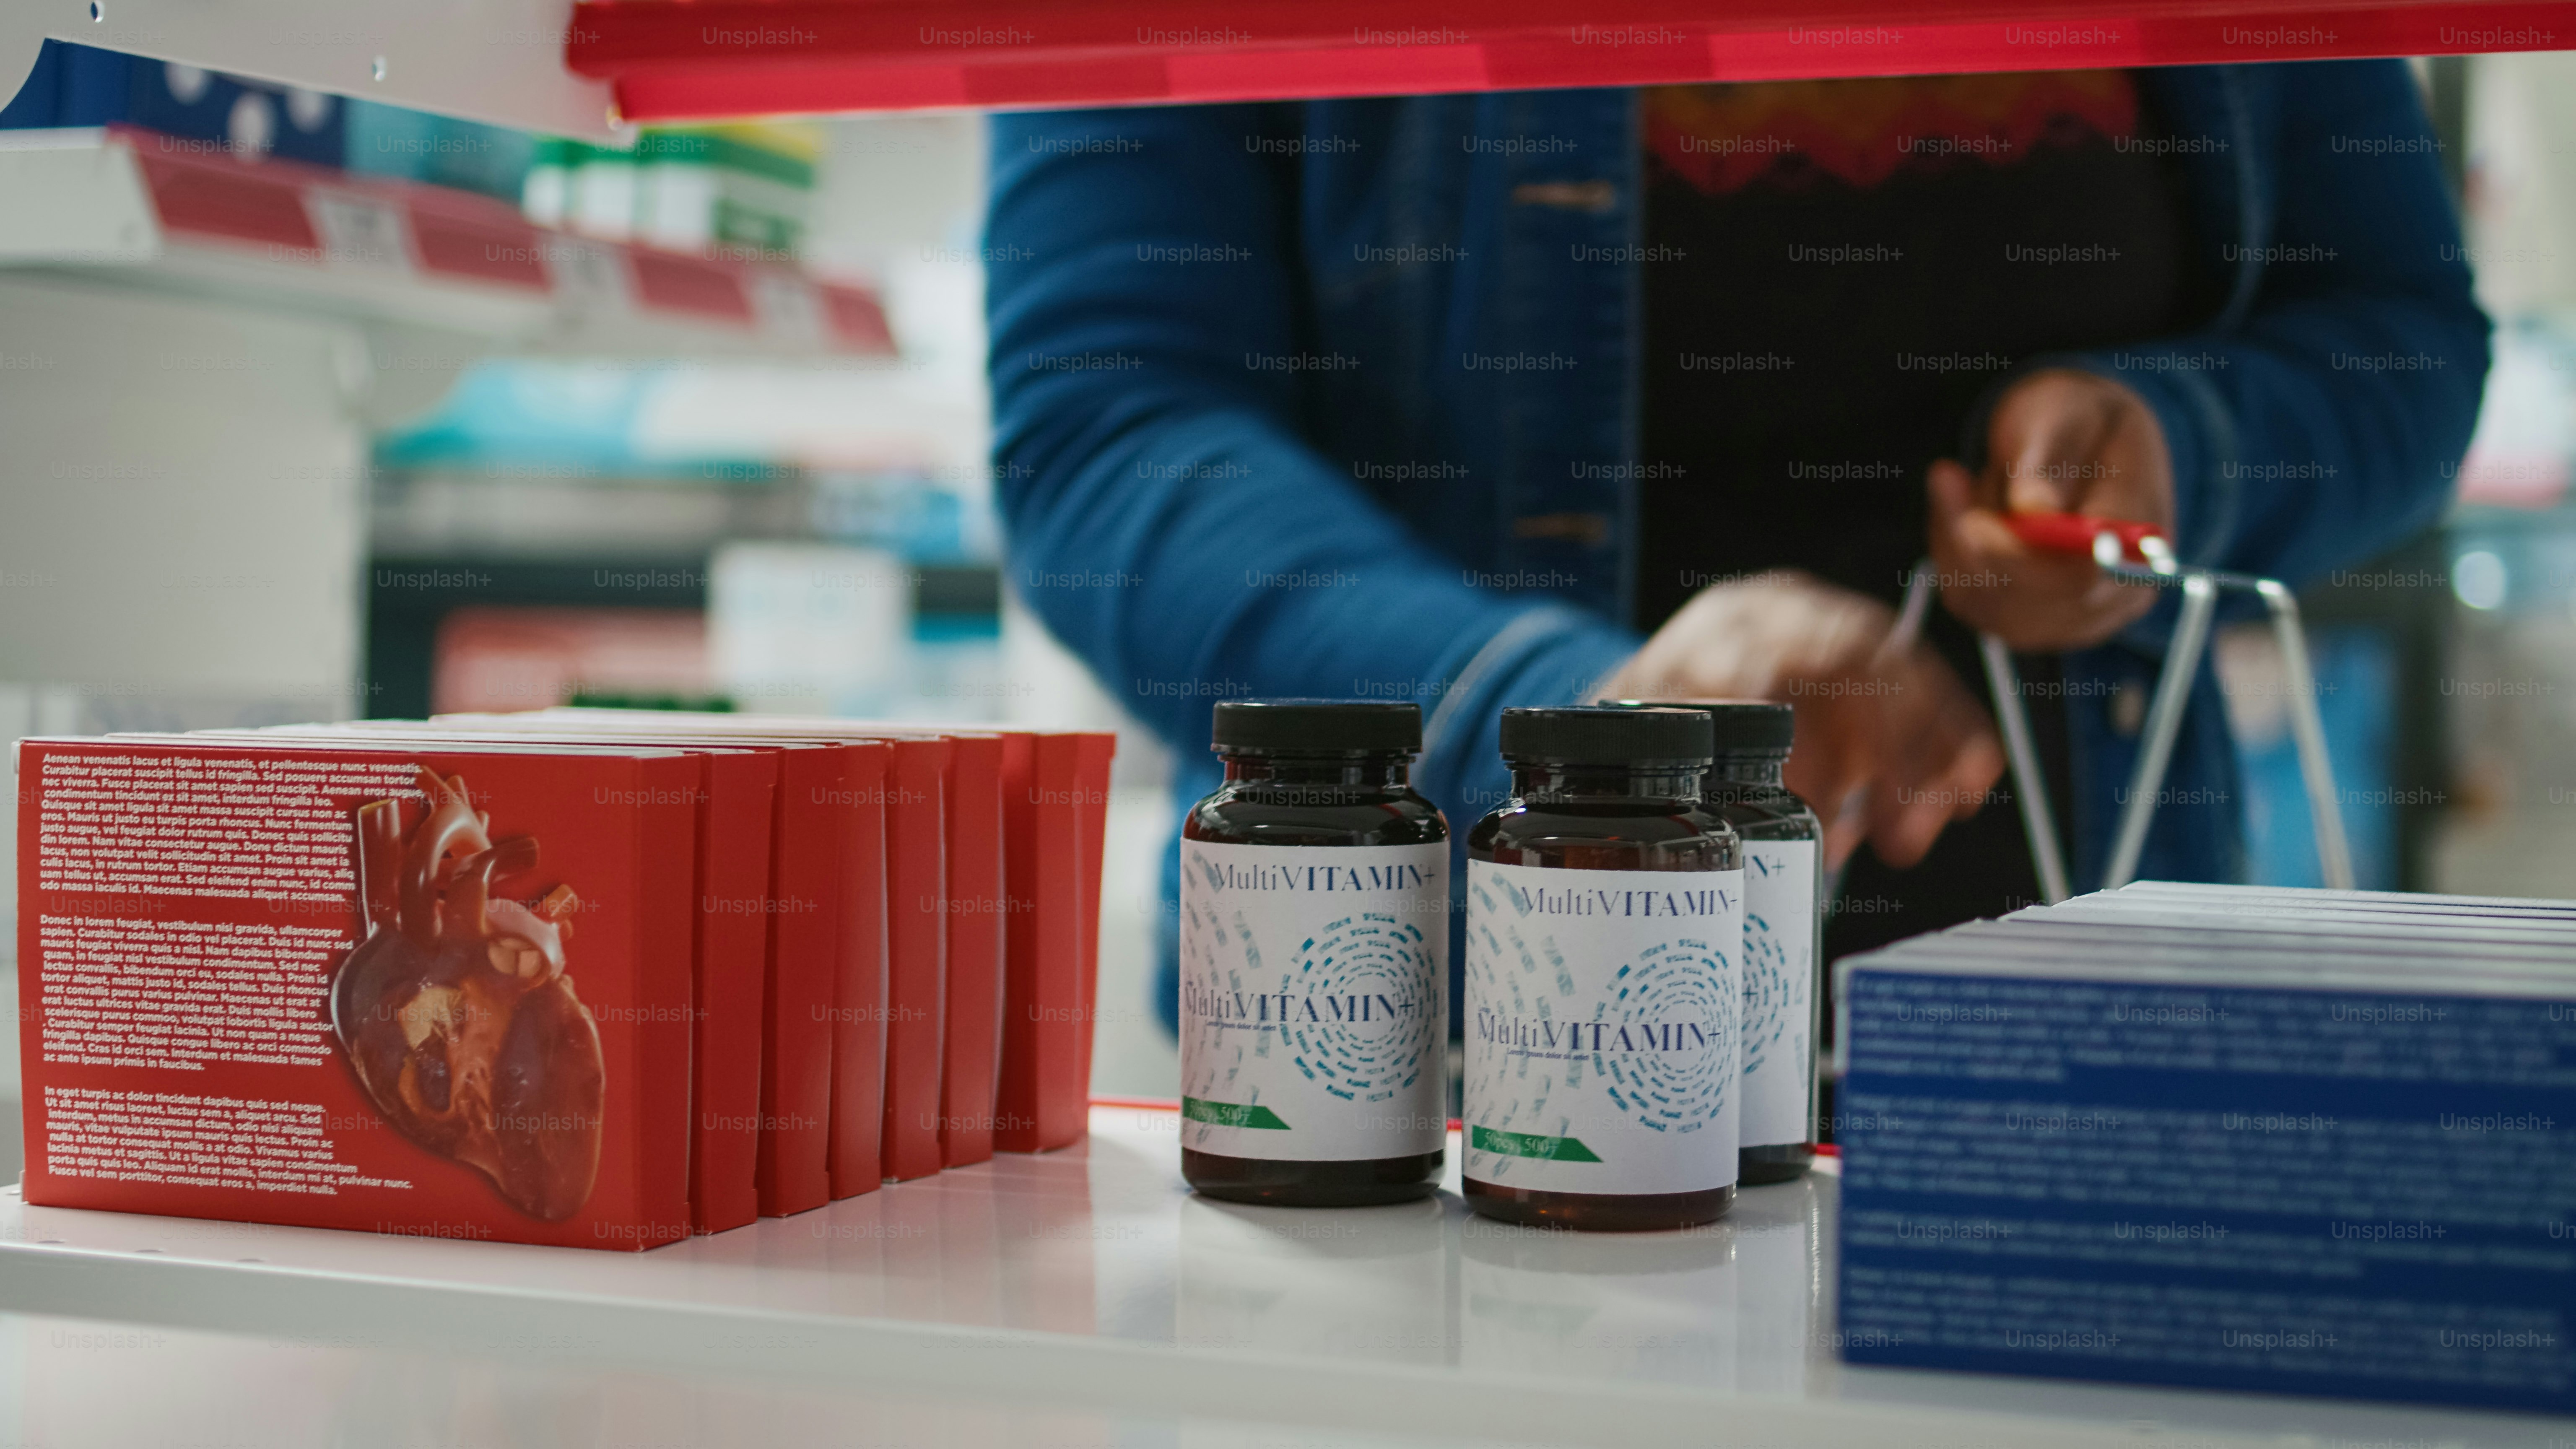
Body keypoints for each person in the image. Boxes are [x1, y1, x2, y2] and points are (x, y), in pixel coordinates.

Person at [982, 63, 2488, 1029]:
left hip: (2082, 1032)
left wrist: (2178, 448)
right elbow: (1108, 428)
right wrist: (1585, 723)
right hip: (1437, 1023)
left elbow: (2397, 326)